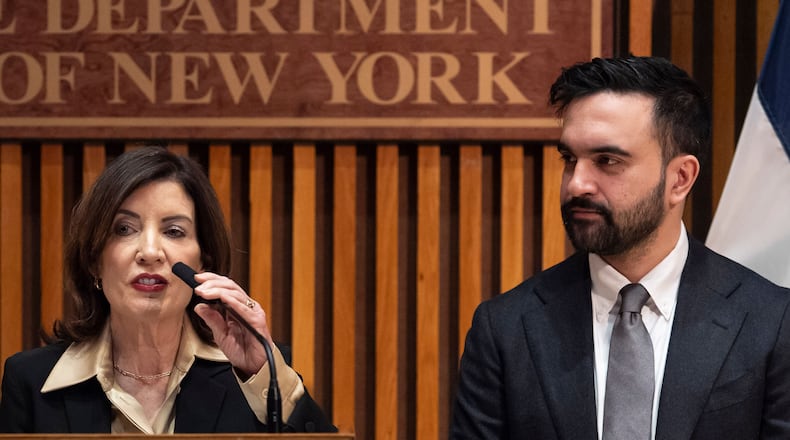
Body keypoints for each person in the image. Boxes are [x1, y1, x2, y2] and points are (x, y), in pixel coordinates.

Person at [451, 56, 790, 439]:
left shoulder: (773, 323)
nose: (577, 184)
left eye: (607, 160)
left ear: (680, 178)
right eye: (569, 159)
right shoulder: (505, 330)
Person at [0, 147, 335, 433]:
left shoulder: (252, 376)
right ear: (94, 260)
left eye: (174, 231)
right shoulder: (31, 382)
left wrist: (262, 373)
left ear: (202, 262)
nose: (150, 251)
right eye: (124, 228)